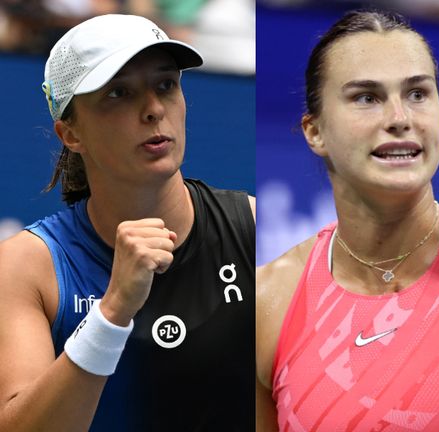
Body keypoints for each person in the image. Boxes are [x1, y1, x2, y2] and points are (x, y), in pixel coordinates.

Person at [256, 9, 439, 431]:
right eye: (366, 98)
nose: (399, 118)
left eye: (417, 94)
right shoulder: (268, 303)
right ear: (315, 131)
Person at [0, 14, 255, 431]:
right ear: (70, 134)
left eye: (166, 85)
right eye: (119, 93)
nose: (154, 109)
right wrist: (112, 312)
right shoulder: (26, 266)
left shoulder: (254, 230)